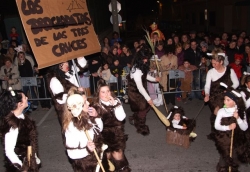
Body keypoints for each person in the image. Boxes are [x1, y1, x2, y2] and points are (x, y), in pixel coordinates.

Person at [91, 80, 130, 171]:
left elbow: (121, 118)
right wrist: (96, 116)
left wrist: (115, 105)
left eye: (108, 91)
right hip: (102, 136)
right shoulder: (95, 106)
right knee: (106, 159)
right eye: (103, 92)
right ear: (98, 93)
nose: (106, 94)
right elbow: (97, 127)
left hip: (116, 135)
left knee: (118, 156)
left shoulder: (116, 100)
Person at [63, 87, 103, 172]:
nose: (88, 103)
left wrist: (96, 117)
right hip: (85, 165)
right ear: (77, 106)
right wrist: (87, 150)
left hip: (95, 159)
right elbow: (72, 154)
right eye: (85, 102)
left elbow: (99, 130)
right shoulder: (72, 126)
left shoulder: (85, 116)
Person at [0, 88, 41, 171]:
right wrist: (22, 168)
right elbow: (9, 152)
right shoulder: (13, 125)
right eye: (24, 97)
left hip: (28, 160)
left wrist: (34, 157)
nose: (27, 98)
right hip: (20, 163)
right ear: (20, 104)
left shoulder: (22, 117)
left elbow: (29, 141)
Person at [204, 48, 239, 140]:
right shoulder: (211, 72)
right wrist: (207, 94)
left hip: (227, 96)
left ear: (221, 62)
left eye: (215, 63)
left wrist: (229, 89)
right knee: (217, 112)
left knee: (227, 114)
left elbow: (236, 83)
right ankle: (216, 132)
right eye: (212, 63)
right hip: (214, 98)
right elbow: (207, 86)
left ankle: (227, 131)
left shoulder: (230, 71)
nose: (213, 65)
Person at [214, 84, 249, 171]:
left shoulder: (241, 112)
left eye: (228, 100)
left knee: (233, 161)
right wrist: (228, 127)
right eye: (225, 99)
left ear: (235, 102)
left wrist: (238, 118)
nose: (225, 102)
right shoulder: (222, 111)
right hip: (224, 139)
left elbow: (245, 128)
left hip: (236, 140)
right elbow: (216, 126)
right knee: (224, 160)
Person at [127, 44, 160, 136]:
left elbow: (145, 75)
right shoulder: (136, 70)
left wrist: (155, 79)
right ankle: (141, 127)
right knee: (144, 108)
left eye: (147, 58)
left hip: (140, 90)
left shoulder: (142, 65)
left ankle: (134, 118)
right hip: (135, 92)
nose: (146, 60)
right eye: (144, 58)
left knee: (144, 107)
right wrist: (148, 98)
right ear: (140, 58)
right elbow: (140, 87)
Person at [47, 57, 87, 125]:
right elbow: (60, 98)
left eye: (66, 62)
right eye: (62, 64)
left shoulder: (69, 72)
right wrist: (77, 93)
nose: (66, 64)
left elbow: (82, 66)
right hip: (67, 112)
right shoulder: (55, 80)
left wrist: (79, 56)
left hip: (77, 107)